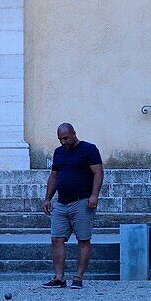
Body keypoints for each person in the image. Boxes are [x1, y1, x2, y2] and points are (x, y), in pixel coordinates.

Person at [41, 123, 104, 289]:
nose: (63, 142)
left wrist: (94, 195)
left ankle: (78, 277)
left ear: (74, 133)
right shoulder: (59, 152)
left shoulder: (89, 149)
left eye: (66, 138)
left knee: (83, 239)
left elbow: (98, 172)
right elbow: (54, 176)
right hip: (61, 202)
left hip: (82, 202)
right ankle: (59, 277)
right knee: (56, 239)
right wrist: (48, 198)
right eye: (60, 139)